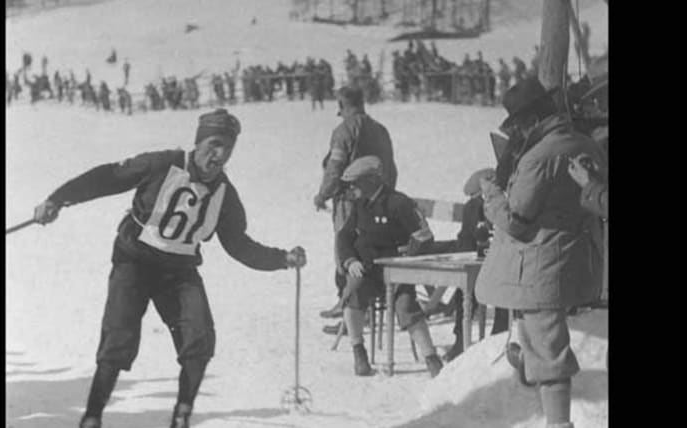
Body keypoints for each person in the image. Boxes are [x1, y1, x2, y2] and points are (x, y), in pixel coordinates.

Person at [32, 109, 307, 428]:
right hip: (134, 262)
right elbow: (109, 177)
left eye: (228, 148)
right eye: (214, 145)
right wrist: (58, 199)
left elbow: (238, 245)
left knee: (199, 339)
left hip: (178, 272)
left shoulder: (224, 194)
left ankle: (181, 416)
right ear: (198, 142)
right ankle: (92, 417)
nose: (219, 155)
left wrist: (282, 259)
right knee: (118, 339)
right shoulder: (162, 163)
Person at [476, 77, 606, 428]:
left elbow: (516, 220)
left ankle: (558, 423)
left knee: (550, 353)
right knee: (540, 343)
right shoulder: (586, 144)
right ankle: (527, 367)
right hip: (577, 260)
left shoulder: (539, 157)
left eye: (519, 125)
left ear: (531, 121)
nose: (518, 132)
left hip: (540, 267)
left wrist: (490, 194)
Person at [335, 155, 443, 377]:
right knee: (352, 293)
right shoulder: (360, 205)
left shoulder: (399, 203)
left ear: (371, 180)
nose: (352, 188)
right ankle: (359, 353)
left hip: (398, 272)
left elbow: (424, 236)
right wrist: (350, 261)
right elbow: (344, 237)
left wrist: (407, 258)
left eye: (356, 182)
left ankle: (431, 358)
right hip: (368, 271)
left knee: (406, 306)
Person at [313, 86, 398, 323]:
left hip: (349, 202)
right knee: (368, 250)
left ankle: (350, 311)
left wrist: (322, 195)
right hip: (378, 201)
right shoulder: (380, 130)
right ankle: (357, 307)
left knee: (347, 251)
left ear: (343, 105)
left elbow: (334, 168)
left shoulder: (344, 131)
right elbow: (391, 168)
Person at [442, 168, 510, 362]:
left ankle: (493, 338)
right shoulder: (475, 207)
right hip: (484, 264)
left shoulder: (502, 204)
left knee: (495, 293)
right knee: (465, 292)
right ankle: (463, 340)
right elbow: (466, 238)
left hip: (499, 265)